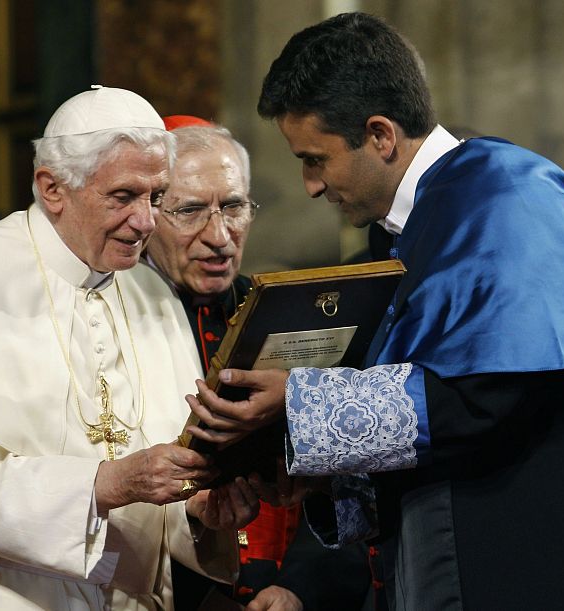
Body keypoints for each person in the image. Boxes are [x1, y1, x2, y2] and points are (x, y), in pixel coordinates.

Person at [185, 12, 564, 610]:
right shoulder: (405, 230)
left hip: (553, 533)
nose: (309, 185)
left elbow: (489, 392)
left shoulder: (504, 196)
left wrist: (300, 401)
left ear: (380, 135)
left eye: (315, 159)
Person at [0, 86, 259, 611]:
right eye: (123, 196)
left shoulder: (153, 294)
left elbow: (162, 498)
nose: (145, 222)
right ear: (52, 188)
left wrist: (198, 513)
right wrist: (105, 484)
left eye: (155, 197)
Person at [147, 116, 370, 610]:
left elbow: (347, 466)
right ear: (147, 213)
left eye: (232, 207)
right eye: (189, 211)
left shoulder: (288, 312)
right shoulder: (120, 327)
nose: (219, 236)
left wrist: (300, 586)